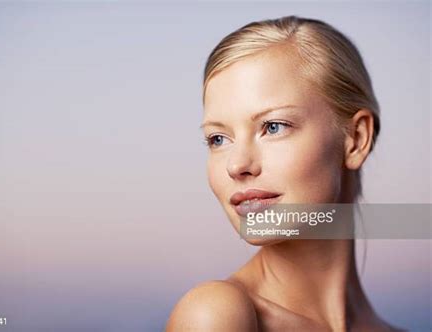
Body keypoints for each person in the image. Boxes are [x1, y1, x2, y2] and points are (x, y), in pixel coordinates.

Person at [166, 16, 404, 331]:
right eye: (218, 139)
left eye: (273, 127)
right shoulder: (217, 315)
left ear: (356, 139)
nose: (236, 166)